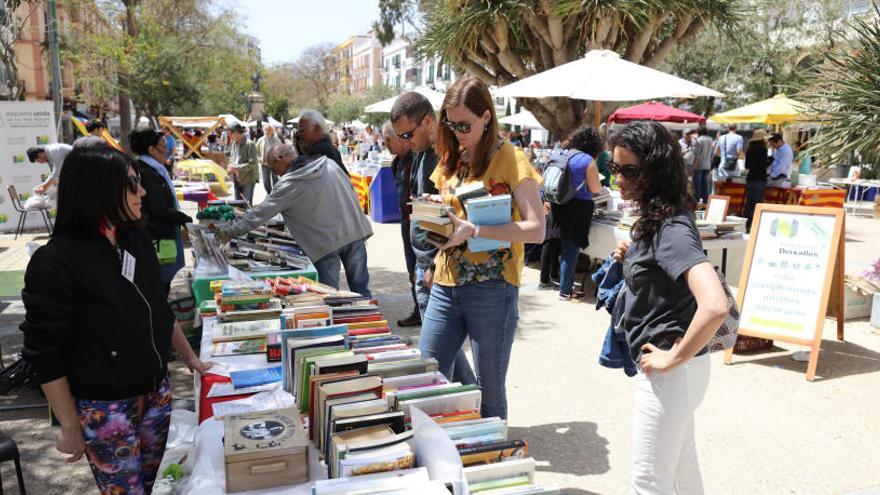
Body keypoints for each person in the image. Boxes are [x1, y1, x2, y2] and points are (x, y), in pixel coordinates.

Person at [20, 145, 210, 494]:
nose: (143, 191)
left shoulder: (134, 237)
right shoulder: (56, 262)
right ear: (98, 191)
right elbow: (44, 353)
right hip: (106, 408)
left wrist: (192, 359)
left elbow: (158, 307)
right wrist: (70, 427)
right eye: (132, 184)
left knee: (146, 487)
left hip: (155, 394)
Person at [609, 121, 728, 494]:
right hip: (682, 371)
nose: (619, 180)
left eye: (630, 170)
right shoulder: (661, 218)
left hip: (673, 372)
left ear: (656, 170)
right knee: (681, 469)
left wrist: (672, 359)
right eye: (615, 169)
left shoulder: (670, 227)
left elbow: (715, 304)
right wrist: (634, 258)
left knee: (650, 480)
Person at [418, 77, 544, 419]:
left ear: (486, 117)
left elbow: (537, 229)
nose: (458, 131)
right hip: (446, 283)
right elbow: (452, 215)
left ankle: (492, 462)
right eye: (451, 122)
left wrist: (476, 229)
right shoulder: (452, 157)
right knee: (424, 375)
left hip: (493, 287)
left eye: (465, 124)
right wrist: (435, 210)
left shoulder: (511, 158)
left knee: (488, 391)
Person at [391, 91, 478, 386]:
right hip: (426, 264)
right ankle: (470, 398)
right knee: (445, 351)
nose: (404, 141)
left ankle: (460, 405)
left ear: (427, 121)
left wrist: (430, 264)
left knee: (438, 355)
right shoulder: (422, 154)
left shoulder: (442, 157)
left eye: (407, 133)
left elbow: (443, 218)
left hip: (433, 266)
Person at [221, 145, 373, 297]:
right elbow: (351, 191)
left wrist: (229, 232)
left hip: (325, 245)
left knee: (330, 297)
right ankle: (369, 318)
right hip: (353, 234)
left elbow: (259, 214)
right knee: (361, 289)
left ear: (278, 160)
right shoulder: (328, 164)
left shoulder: (289, 184)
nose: (274, 173)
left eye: (272, 167)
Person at [130, 129, 193, 293]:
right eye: (164, 146)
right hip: (159, 238)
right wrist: (183, 218)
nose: (168, 150)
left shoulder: (154, 169)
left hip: (162, 234)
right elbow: (159, 209)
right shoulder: (147, 173)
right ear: (151, 150)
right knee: (164, 287)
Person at [550, 125, 604, 301]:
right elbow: (596, 188)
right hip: (578, 207)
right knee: (571, 250)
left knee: (563, 246)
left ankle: (560, 283)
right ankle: (565, 291)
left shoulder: (561, 153)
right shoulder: (587, 160)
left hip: (559, 203)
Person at [383, 121, 421, 326]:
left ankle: (425, 310)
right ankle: (419, 308)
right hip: (406, 223)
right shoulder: (397, 162)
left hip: (420, 224)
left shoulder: (418, 158)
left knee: (422, 268)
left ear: (400, 138)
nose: (384, 143)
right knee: (412, 268)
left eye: (387, 139)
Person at [296, 109, 349, 176]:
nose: (300, 135)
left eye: (302, 131)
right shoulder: (328, 147)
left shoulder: (320, 150)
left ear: (317, 128)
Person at [742, 129, 770, 230]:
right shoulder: (763, 150)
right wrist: (770, 161)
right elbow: (763, 165)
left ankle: (745, 224)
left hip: (751, 178)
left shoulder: (749, 150)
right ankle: (756, 225)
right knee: (758, 203)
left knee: (749, 202)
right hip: (760, 178)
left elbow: (746, 166)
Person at [227, 123, 258, 204]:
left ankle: (248, 217)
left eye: (231, 134)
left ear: (237, 132)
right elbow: (232, 159)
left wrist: (236, 167)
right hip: (236, 178)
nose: (230, 136)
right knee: (238, 205)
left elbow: (253, 164)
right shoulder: (234, 144)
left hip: (248, 179)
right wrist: (230, 166)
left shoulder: (250, 144)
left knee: (247, 205)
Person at [690, 127, 714, 203]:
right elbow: (712, 153)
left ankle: (697, 202)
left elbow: (696, 156)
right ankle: (706, 202)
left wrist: (693, 168)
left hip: (699, 165)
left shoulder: (698, 140)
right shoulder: (710, 139)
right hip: (707, 164)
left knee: (698, 185)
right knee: (706, 185)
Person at [256, 125, 282, 194]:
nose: (266, 131)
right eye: (265, 130)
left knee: (275, 179)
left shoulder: (276, 139)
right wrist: (259, 158)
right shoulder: (260, 140)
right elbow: (256, 151)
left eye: (268, 130)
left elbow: (281, 149)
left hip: (274, 163)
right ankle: (269, 193)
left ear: (272, 131)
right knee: (265, 181)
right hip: (264, 163)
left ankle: (274, 194)